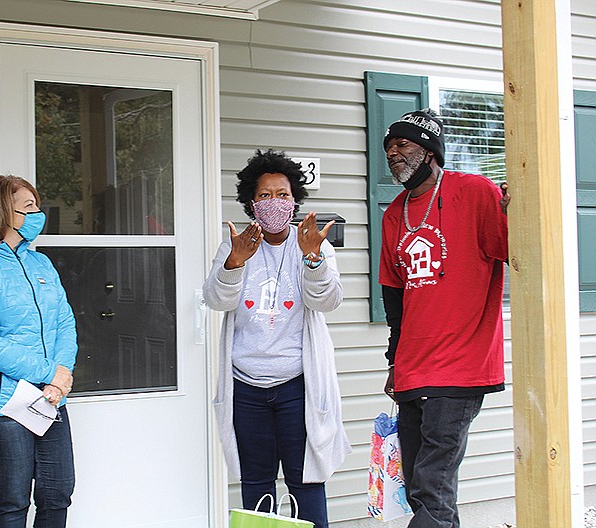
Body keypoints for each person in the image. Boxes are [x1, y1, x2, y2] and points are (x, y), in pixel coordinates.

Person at [203, 149, 351, 528]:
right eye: (265, 195)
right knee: (257, 486)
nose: (274, 203)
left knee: (306, 483)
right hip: (246, 388)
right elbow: (217, 300)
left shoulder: (311, 244)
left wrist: (313, 259)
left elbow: (328, 300)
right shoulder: (234, 246)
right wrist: (234, 263)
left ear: (294, 200)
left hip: (296, 386)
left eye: (282, 195)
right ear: (251, 203)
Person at [379, 109, 509, 527]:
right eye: (388, 147)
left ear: (430, 150)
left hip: (462, 364)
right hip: (413, 366)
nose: (393, 153)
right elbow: (394, 295)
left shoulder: (474, 192)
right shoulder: (393, 214)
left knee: (432, 484)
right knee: (420, 481)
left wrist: (515, 212)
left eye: (403, 144)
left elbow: (515, 249)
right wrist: (394, 362)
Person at [0, 175, 78, 528]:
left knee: (57, 493)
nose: (38, 213)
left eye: (37, 205)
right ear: (1, 212)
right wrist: (47, 372)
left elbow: (64, 325)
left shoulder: (42, 265)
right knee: (13, 498)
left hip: (50, 398)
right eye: (29, 207)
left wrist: (60, 378)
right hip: (0, 404)